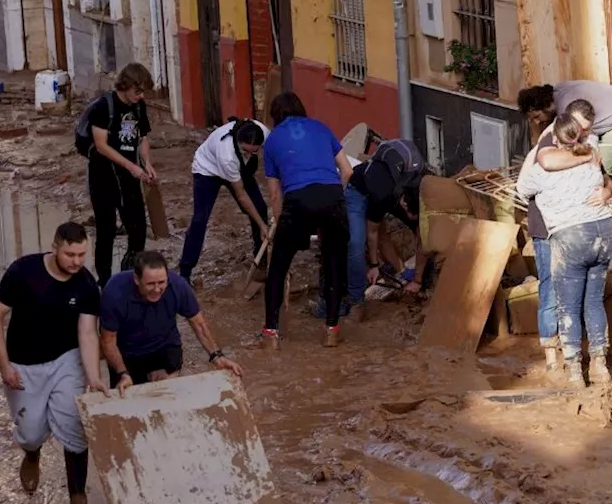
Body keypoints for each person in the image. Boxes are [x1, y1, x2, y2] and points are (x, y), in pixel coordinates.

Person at [0, 223, 107, 504]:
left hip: (66, 360)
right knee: (30, 432)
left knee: (75, 425)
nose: (77, 261)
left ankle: (78, 500)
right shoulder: (23, 272)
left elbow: (88, 333)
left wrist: (93, 376)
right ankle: (31, 454)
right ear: (54, 248)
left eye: (82, 254)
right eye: (70, 254)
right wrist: (4, 366)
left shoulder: (86, 284)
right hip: (24, 364)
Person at [516, 113, 612, 387]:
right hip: (604, 233)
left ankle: (574, 372)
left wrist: (535, 150)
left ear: (555, 141)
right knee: (594, 301)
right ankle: (600, 366)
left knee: (568, 306)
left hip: (573, 236)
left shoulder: (543, 169)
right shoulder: (592, 160)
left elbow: (521, 187)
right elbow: (609, 183)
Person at [259, 92, 352, 349]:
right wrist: (334, 200)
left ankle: (270, 335)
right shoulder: (321, 127)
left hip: (297, 199)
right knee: (333, 264)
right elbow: (347, 170)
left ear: (275, 115)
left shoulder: (272, 140)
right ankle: (332, 331)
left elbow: (275, 192)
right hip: (332, 196)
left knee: (278, 266)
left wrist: (279, 224)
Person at [100, 251, 243, 393]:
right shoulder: (114, 292)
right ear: (136, 279)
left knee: (166, 395)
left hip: (164, 348)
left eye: (162, 282)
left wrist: (217, 356)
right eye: (150, 284)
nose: (157, 290)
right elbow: (108, 341)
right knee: (129, 401)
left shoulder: (177, 286)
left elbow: (198, 324)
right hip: (127, 354)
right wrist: (122, 373)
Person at [87, 63, 157, 287]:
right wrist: (131, 166)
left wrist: (146, 163)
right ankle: (105, 281)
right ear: (125, 86)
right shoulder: (103, 106)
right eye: (138, 91)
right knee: (106, 229)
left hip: (129, 176)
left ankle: (130, 273)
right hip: (103, 175)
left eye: (143, 92)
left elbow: (143, 136)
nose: (141, 96)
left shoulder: (138, 106)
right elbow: (101, 145)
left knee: (138, 227)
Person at [180, 118, 271, 282]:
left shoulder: (263, 132)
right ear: (238, 141)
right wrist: (263, 226)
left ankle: (261, 260)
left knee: (260, 208)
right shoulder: (227, 154)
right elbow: (241, 195)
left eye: (254, 152)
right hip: (207, 170)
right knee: (200, 219)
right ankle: (185, 272)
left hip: (238, 168)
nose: (250, 156)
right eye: (245, 151)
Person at [349, 138, 430, 321]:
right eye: (410, 215)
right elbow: (376, 233)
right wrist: (374, 265)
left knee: (420, 229)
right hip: (358, 189)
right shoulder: (381, 194)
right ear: (403, 203)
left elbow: (422, 237)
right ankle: (355, 300)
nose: (411, 219)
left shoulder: (423, 189)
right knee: (357, 240)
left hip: (392, 189)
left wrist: (417, 279)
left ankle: (402, 273)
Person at [518, 81, 612, 184]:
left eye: (537, 116)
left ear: (546, 105)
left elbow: (551, 135)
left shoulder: (567, 106)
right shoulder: (558, 89)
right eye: (533, 119)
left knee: (603, 165)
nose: (537, 122)